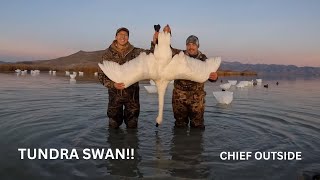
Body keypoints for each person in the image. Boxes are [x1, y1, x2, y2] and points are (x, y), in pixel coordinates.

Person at [152, 25, 218, 129]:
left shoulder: (203, 59)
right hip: (179, 98)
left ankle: (196, 143)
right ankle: (179, 144)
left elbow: (210, 74)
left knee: (197, 126)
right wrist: (163, 36)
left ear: (198, 46)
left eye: (193, 44)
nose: (191, 47)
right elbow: (165, 49)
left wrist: (214, 78)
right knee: (180, 125)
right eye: (188, 44)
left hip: (197, 99)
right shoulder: (179, 55)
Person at [98, 27, 146, 129]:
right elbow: (101, 75)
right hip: (115, 97)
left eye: (125, 35)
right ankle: (116, 144)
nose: (123, 37)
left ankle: (132, 144)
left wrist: (155, 40)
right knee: (113, 124)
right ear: (116, 37)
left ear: (128, 38)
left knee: (132, 125)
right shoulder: (107, 54)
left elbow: (152, 53)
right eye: (120, 35)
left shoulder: (136, 52)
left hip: (132, 96)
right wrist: (113, 85)